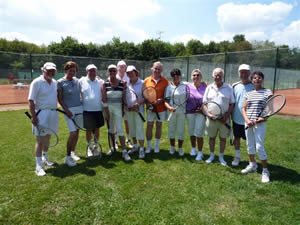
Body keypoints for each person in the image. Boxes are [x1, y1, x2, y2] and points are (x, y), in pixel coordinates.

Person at [28, 62, 58, 176]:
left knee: (48, 137)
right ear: (43, 70)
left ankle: (45, 158)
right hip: (41, 114)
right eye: (49, 70)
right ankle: (38, 165)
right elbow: (31, 100)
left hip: (53, 114)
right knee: (40, 140)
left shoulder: (55, 83)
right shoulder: (36, 82)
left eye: (53, 70)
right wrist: (34, 117)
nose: (51, 72)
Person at [241, 71, 272, 183]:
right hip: (249, 122)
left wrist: (263, 118)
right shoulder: (249, 93)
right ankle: (252, 165)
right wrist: (247, 120)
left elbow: (269, 109)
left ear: (262, 79)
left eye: (259, 78)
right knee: (250, 145)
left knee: (259, 147)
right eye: (254, 78)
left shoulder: (267, 92)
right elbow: (243, 109)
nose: (257, 79)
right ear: (252, 80)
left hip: (260, 124)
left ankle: (265, 171)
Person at [203, 68, 235, 166]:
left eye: (220, 75)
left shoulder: (229, 88)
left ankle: (221, 157)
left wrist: (226, 116)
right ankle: (212, 155)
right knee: (211, 138)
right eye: (216, 75)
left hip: (224, 119)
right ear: (213, 76)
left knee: (223, 139)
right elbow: (204, 104)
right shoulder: (209, 87)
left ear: (223, 76)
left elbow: (232, 103)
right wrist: (209, 114)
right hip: (211, 118)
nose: (218, 77)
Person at [102, 64, 130, 161]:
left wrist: (122, 109)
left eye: (114, 71)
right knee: (111, 130)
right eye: (111, 71)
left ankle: (124, 152)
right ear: (108, 72)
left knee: (120, 129)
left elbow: (123, 98)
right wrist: (107, 112)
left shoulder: (123, 83)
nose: (112, 72)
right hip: (108, 110)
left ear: (116, 72)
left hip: (118, 109)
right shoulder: (104, 84)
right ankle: (113, 148)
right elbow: (104, 99)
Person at [57, 61, 82, 167]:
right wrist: (66, 110)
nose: (72, 72)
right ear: (66, 70)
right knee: (72, 133)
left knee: (77, 132)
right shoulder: (60, 82)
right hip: (69, 110)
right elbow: (60, 99)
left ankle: (72, 152)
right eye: (70, 70)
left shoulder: (77, 81)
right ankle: (68, 157)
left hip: (79, 109)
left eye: (74, 71)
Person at [78, 64, 105, 157]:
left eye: (94, 71)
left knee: (97, 129)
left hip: (98, 109)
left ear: (96, 72)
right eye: (90, 71)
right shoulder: (81, 81)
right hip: (87, 110)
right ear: (87, 72)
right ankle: (89, 147)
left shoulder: (100, 81)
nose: (92, 72)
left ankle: (96, 146)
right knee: (89, 129)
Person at [231, 64, 254, 166]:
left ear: (249, 73)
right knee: (236, 138)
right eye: (241, 72)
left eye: (246, 72)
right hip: (236, 119)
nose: (243, 74)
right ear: (238, 73)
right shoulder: (234, 86)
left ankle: (251, 160)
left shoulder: (254, 86)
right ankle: (237, 156)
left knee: (250, 141)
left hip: (249, 120)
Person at [143, 61, 169, 154]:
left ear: (161, 70)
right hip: (150, 108)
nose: (157, 70)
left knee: (159, 126)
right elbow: (144, 95)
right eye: (155, 68)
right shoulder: (146, 80)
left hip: (161, 109)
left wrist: (161, 100)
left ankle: (156, 146)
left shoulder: (166, 81)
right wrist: (147, 103)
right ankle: (149, 146)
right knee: (149, 126)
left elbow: (167, 96)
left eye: (159, 69)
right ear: (152, 69)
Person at [185, 69, 207, 160]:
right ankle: (193, 149)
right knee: (191, 131)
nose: (196, 77)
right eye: (194, 75)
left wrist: (202, 109)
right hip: (189, 112)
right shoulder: (187, 86)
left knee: (199, 132)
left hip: (200, 114)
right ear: (191, 77)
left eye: (198, 75)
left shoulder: (205, 87)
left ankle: (200, 152)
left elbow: (208, 100)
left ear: (201, 77)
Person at [164, 68, 186, 156]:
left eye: (177, 75)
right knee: (171, 131)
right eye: (173, 75)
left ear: (180, 76)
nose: (175, 77)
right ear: (171, 77)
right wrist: (169, 108)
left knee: (181, 131)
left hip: (182, 112)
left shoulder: (185, 86)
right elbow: (165, 101)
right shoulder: (168, 87)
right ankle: (172, 147)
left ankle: (180, 148)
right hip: (171, 112)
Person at [125, 65, 145, 158]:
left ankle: (141, 149)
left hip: (139, 111)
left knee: (139, 129)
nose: (130, 74)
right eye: (128, 73)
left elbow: (146, 97)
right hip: (129, 111)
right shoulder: (126, 84)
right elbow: (125, 97)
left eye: (132, 72)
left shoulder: (142, 83)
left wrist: (137, 105)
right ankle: (135, 146)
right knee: (132, 129)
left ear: (136, 72)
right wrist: (127, 106)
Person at [116, 60, 133, 148]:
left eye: (124, 67)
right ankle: (115, 141)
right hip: (117, 104)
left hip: (127, 104)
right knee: (115, 122)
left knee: (127, 122)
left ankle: (128, 139)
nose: (122, 68)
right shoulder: (114, 77)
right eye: (121, 67)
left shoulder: (129, 77)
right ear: (117, 68)